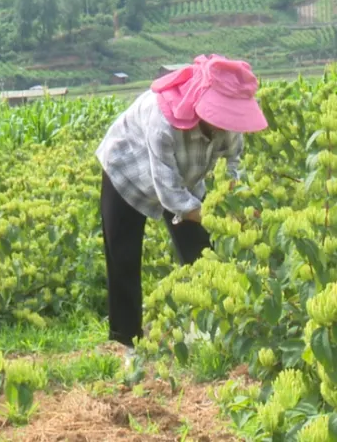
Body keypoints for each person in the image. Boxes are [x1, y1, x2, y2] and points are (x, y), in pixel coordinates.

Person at [95, 54, 267, 365]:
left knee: (202, 254)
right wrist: (219, 217)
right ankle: (130, 346)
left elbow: (233, 168)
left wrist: (238, 202)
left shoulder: (230, 127)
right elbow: (171, 197)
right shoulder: (163, 124)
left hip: (186, 179)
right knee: (123, 257)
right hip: (127, 171)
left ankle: (211, 327)